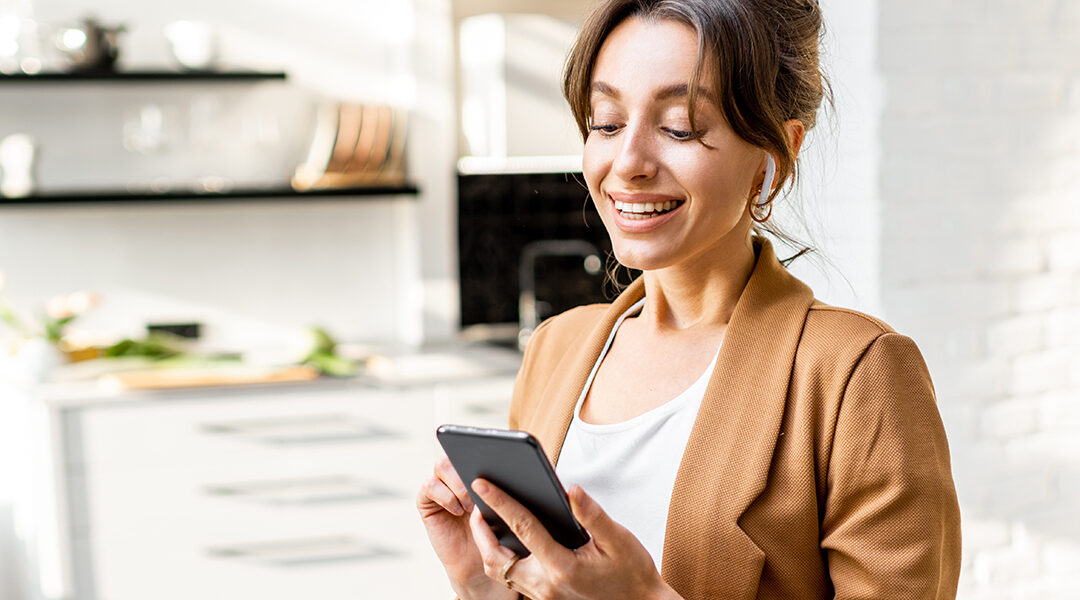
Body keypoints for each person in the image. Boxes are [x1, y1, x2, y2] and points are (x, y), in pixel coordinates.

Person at [417, 0, 962, 598]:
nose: (628, 163)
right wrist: (481, 582)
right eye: (606, 122)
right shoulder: (556, 347)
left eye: (679, 127)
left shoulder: (858, 376)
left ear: (774, 157)